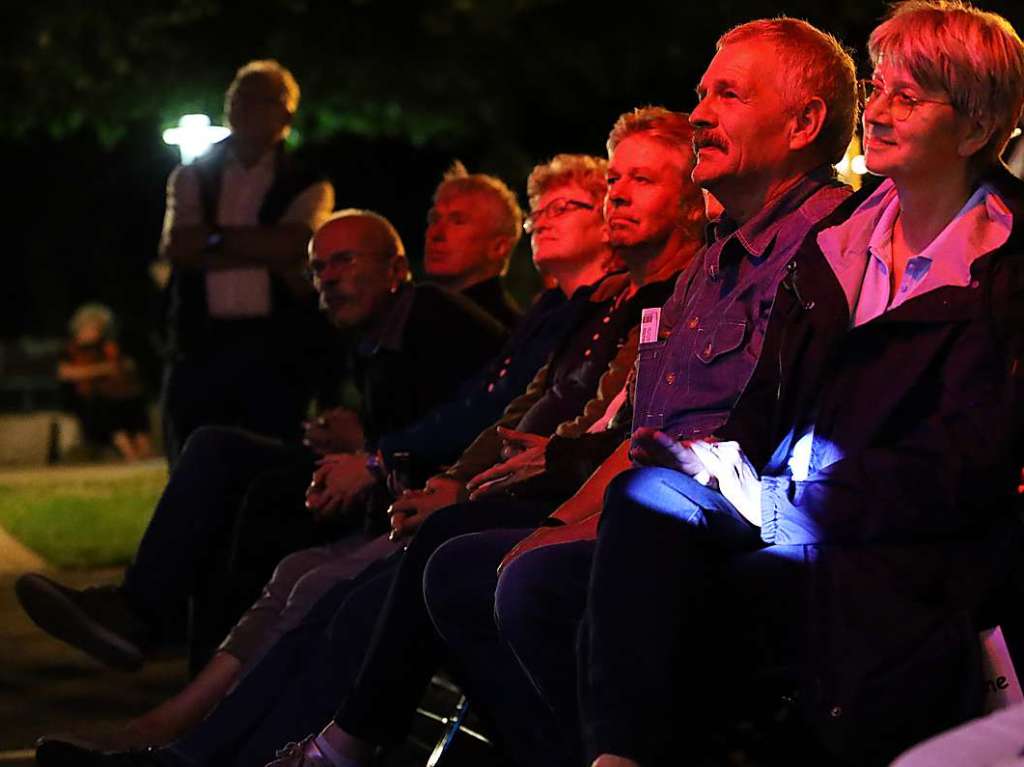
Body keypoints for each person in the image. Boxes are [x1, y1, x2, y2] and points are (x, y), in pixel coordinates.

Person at [553, 4, 1024, 765]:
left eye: (912, 95)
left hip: (897, 552)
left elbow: (962, 469)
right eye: (877, 87)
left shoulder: (1002, 273)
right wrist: (707, 457)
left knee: (594, 592)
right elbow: (766, 408)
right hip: (785, 514)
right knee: (633, 506)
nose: (877, 110)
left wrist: (782, 499)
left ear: (975, 130)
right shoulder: (837, 248)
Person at [35, 155, 611, 752]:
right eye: (317, 269)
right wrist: (381, 455)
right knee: (283, 542)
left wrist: (382, 460)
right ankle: (179, 720)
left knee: (302, 551)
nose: (436, 229)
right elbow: (496, 408)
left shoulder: (457, 315)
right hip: (435, 492)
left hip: (474, 505)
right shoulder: (547, 316)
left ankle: (190, 721)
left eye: (567, 207)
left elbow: (504, 416)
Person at [423, 18, 862, 766]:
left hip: (764, 517)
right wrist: (564, 518)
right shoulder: (709, 269)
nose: (699, 114)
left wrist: (584, 524)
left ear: (804, 122)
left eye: (727, 93)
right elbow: (644, 431)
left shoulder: (838, 246)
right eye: (701, 92)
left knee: (537, 583)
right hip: (660, 514)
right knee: (459, 568)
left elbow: (763, 455)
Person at [256, 107, 707, 767]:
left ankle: (325, 746)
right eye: (614, 181)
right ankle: (224, 734)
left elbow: (621, 426)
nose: (618, 196)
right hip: (547, 487)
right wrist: (455, 476)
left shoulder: (659, 296)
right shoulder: (588, 308)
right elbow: (519, 407)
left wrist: (466, 478)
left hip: (606, 503)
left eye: (638, 180)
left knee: (405, 573)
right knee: (310, 560)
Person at [16, 210, 507, 676]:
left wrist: (373, 447)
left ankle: (167, 641)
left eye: (344, 261)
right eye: (317, 268)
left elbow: (480, 411)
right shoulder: (367, 336)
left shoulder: (431, 314)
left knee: (259, 497)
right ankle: (145, 618)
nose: (328, 278)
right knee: (219, 453)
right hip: (378, 477)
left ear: (396, 269)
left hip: (428, 501)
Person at [159, 59, 335, 464]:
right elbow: (179, 245)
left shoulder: (307, 178)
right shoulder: (192, 174)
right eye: (237, 99)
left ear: (286, 113)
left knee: (268, 463)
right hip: (201, 347)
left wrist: (215, 240)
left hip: (274, 349)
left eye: (258, 100)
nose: (243, 109)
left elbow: (296, 245)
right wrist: (265, 250)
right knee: (193, 460)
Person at [58, 303, 152, 461]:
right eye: (93, 327)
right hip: (84, 399)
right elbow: (66, 373)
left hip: (112, 394)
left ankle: (144, 450)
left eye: (100, 327)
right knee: (106, 408)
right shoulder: (69, 349)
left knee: (134, 401)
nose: (97, 331)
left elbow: (122, 366)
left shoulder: (107, 347)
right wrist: (100, 370)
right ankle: (129, 453)